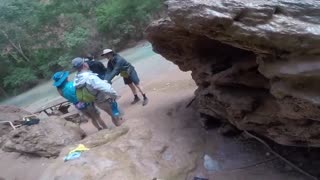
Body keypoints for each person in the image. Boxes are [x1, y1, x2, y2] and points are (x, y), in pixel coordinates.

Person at [72, 57, 123, 126]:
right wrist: (115, 95)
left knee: (111, 113)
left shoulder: (76, 79)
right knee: (116, 114)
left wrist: (103, 82)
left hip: (96, 101)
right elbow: (106, 89)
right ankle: (121, 128)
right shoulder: (90, 77)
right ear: (84, 65)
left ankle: (118, 125)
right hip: (105, 99)